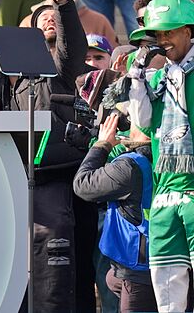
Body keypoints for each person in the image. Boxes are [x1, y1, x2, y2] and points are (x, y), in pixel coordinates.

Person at [14, 0, 88, 312]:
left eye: (52, 17)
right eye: (40, 17)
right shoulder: (10, 76)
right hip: (16, 173)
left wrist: (60, 1)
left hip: (55, 174)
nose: (47, 20)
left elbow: (72, 44)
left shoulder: (61, 69)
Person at [126, 0, 194, 311]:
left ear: (188, 32)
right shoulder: (157, 78)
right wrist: (137, 70)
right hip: (165, 194)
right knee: (167, 295)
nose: (163, 40)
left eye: (170, 31)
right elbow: (141, 120)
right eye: (158, 33)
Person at [73, 113, 157, 313]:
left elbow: (83, 184)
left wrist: (101, 145)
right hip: (156, 258)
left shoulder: (131, 165)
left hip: (137, 270)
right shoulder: (167, 155)